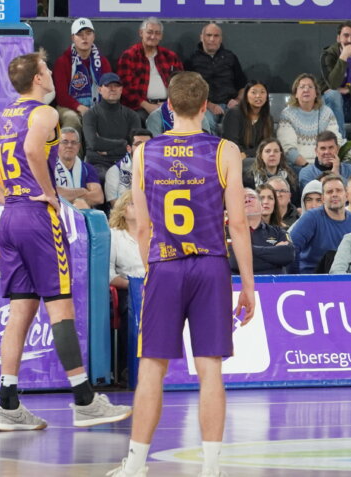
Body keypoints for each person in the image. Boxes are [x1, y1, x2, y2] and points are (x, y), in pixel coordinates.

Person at [0, 51, 131, 432]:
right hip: (38, 218)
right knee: (60, 307)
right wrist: (49, 193)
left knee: (20, 311)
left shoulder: (6, 115)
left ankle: (7, 405)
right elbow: (32, 151)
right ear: (39, 77)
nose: (50, 75)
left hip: (10, 219)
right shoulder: (46, 113)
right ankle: (85, 400)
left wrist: (5, 198)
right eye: (46, 69)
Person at [107, 72, 253, 477]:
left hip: (165, 265)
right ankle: (210, 468)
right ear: (206, 107)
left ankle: (136, 465)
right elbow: (238, 225)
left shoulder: (144, 153)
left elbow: (141, 226)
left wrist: (151, 268)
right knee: (210, 369)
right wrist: (248, 286)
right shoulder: (225, 150)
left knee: (152, 368)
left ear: (168, 107)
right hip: (210, 265)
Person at [288, 173, 351, 273]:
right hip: (312, 279)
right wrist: (296, 279)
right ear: (323, 199)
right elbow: (291, 248)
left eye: (338, 190)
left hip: (346, 280)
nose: (334, 194)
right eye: (329, 192)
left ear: (347, 196)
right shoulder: (311, 217)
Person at [234, 188, 293, 275]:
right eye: (242, 198)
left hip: (274, 286)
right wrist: (274, 252)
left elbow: (288, 254)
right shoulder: (227, 233)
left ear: (262, 207)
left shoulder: (278, 232)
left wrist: (244, 250)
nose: (247, 200)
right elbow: (233, 262)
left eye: (252, 197)